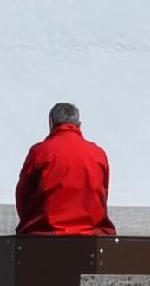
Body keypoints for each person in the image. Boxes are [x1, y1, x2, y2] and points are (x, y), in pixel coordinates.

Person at [15, 102, 114, 237]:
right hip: (90, 233)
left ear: (51, 123)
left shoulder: (40, 152)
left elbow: (23, 195)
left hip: (45, 231)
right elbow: (103, 194)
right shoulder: (98, 154)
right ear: (79, 124)